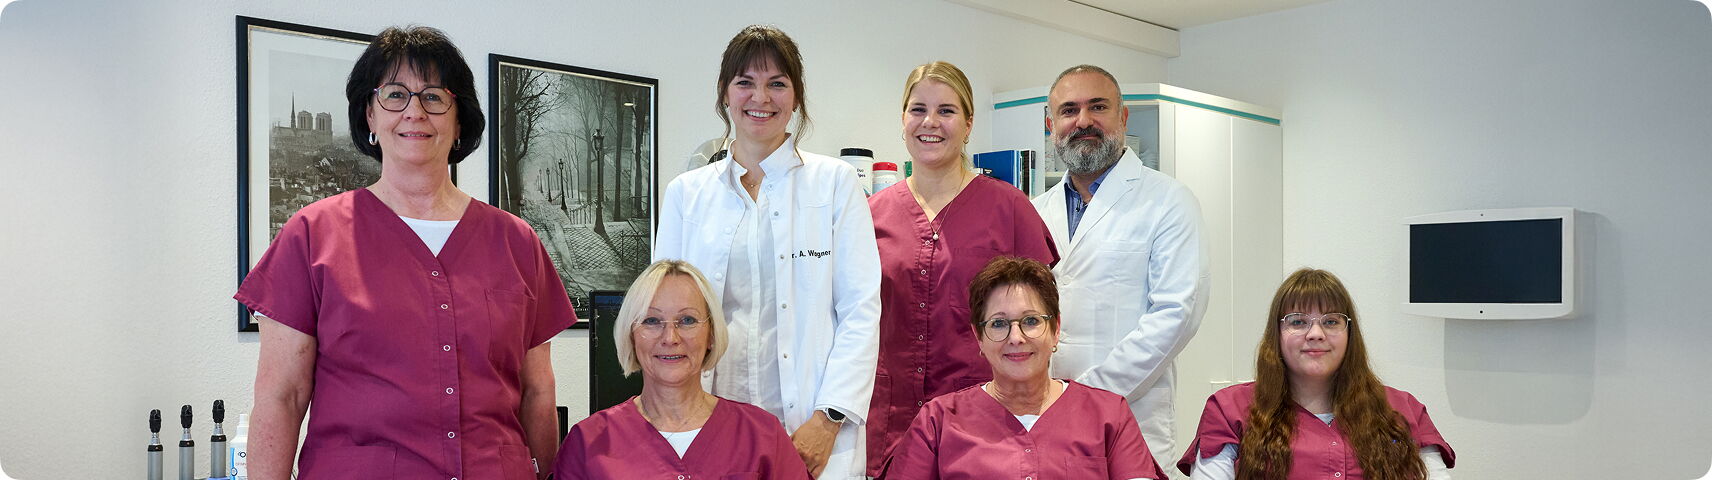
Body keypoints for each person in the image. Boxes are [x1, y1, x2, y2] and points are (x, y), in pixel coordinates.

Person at [238, 26, 575, 480]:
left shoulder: (517, 242)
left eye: (434, 97)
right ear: (370, 116)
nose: (415, 111)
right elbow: (282, 397)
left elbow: (538, 391)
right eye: (395, 95)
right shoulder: (312, 236)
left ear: (459, 120)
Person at [653, 24, 882, 479]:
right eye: (746, 82)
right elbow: (663, 318)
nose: (761, 97)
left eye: (777, 83)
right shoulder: (685, 194)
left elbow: (861, 310)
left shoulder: (834, 184)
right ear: (725, 93)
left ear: (795, 97)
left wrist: (829, 419)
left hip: (813, 431)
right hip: (709, 423)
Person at [863, 61, 1060, 475]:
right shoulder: (869, 215)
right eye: (918, 109)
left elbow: (1038, 323)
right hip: (889, 424)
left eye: (946, 111)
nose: (930, 122)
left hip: (983, 425)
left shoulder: (1009, 209)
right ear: (903, 119)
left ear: (969, 124)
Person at [1030, 64, 1210, 464]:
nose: (1083, 121)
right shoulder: (1036, 211)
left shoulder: (1169, 201)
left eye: (1098, 107)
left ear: (1123, 117)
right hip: (1043, 419)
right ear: (1051, 124)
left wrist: (1089, 397)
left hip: (1131, 420)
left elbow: (1175, 315)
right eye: (1068, 110)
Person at [882, 256, 1166, 479]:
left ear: (1055, 329)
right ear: (979, 337)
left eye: (1031, 321)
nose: (1016, 338)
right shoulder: (938, 422)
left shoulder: (1109, 416)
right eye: (998, 323)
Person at [1178, 268, 1456, 479]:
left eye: (1331, 321)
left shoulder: (1404, 409)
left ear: (1350, 333)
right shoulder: (1229, 410)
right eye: (1298, 321)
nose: (1315, 334)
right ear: (1276, 334)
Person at [554, 260, 811, 479]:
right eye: (652, 320)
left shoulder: (763, 436)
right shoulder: (587, 444)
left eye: (687, 320)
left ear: (711, 334)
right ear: (631, 335)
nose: (670, 337)